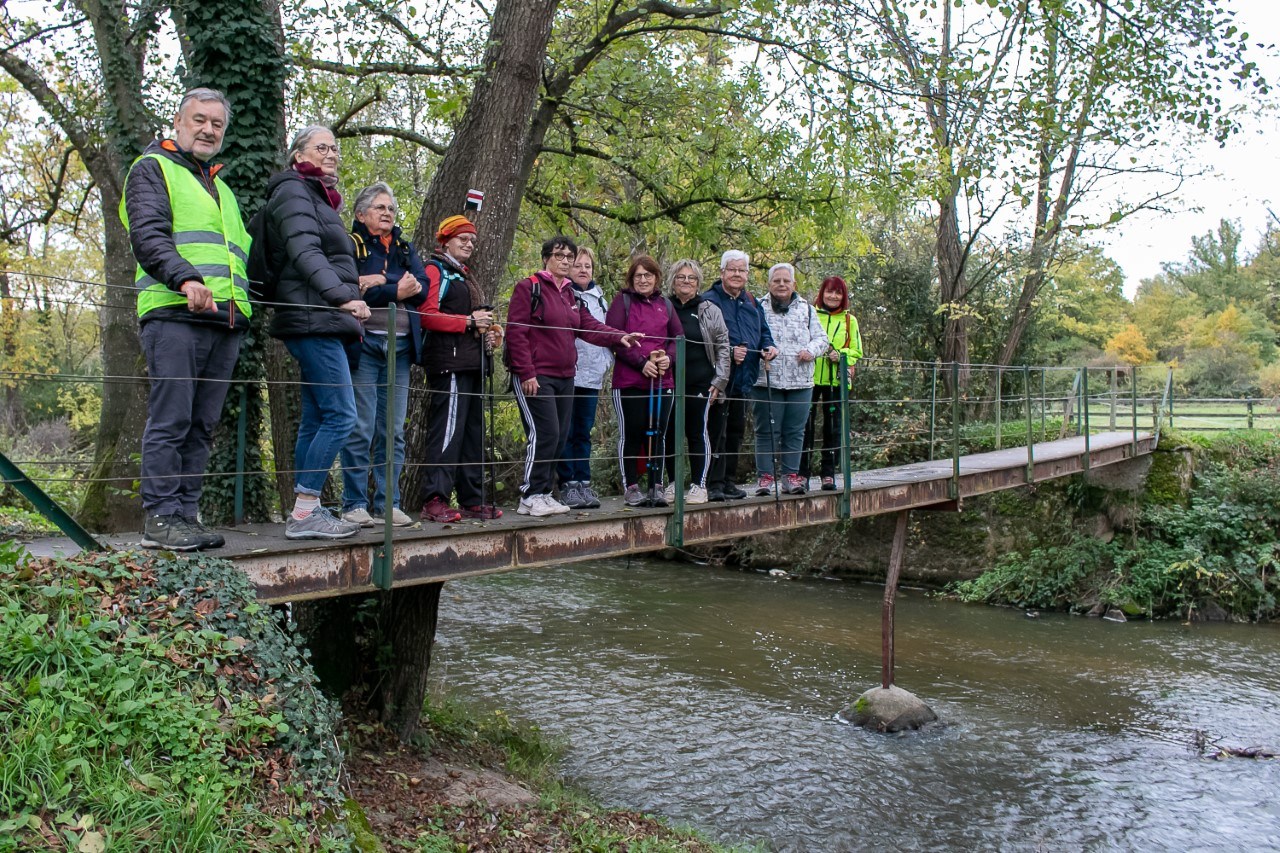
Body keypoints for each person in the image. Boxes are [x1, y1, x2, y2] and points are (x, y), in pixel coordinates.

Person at [121, 87, 250, 551]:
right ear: (178, 123)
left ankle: (185, 514)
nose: (208, 130)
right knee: (171, 418)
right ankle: (159, 518)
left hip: (225, 320)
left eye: (216, 124)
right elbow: (148, 233)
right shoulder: (152, 169)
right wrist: (184, 279)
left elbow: (239, 257)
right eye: (199, 120)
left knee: (202, 424)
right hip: (176, 312)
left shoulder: (222, 190)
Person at [263, 125, 370, 539]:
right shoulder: (294, 191)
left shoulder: (318, 198)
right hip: (314, 317)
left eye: (335, 149)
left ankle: (304, 509)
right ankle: (306, 513)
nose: (332, 155)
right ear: (297, 155)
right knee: (342, 416)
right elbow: (304, 251)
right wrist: (340, 297)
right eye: (321, 148)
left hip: (320, 316)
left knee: (316, 418)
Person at [505, 236, 641, 517]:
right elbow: (516, 333)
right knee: (545, 433)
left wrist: (620, 336)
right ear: (546, 258)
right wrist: (526, 372)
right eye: (559, 256)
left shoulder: (570, 294)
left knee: (560, 436)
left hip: (566, 375)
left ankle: (544, 492)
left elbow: (588, 325)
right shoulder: (528, 287)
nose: (565, 261)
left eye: (569, 256)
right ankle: (529, 495)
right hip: (536, 375)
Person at [338, 183, 427, 528]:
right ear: (361, 214)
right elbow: (349, 287)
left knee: (392, 430)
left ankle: (389, 504)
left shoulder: (405, 246)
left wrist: (379, 284)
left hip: (402, 348)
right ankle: (354, 504)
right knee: (360, 427)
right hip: (365, 345)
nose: (388, 213)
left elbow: (422, 287)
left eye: (391, 208)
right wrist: (395, 289)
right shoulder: (352, 244)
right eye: (380, 207)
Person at [417, 215, 503, 523]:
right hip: (448, 363)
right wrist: (468, 322)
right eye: (462, 239)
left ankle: (471, 498)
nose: (468, 244)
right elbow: (426, 315)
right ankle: (434, 498)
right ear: (446, 241)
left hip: (473, 362)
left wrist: (490, 331)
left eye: (471, 240)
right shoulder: (433, 269)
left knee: (472, 434)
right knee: (448, 430)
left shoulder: (465, 275)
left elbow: (474, 318)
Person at [607, 255, 683, 507]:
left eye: (648, 275)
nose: (643, 279)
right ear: (631, 278)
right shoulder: (622, 302)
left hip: (663, 381)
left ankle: (656, 485)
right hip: (630, 380)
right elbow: (614, 337)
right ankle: (631, 486)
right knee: (632, 433)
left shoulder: (666, 305)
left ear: (656, 278)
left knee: (658, 433)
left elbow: (677, 337)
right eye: (638, 275)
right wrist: (642, 362)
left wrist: (668, 360)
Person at [702, 250, 777, 502]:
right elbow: (702, 339)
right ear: (722, 272)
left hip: (745, 378)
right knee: (715, 432)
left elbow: (764, 332)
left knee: (735, 431)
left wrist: (768, 347)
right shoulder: (708, 301)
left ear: (747, 274)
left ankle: (729, 482)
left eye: (741, 270)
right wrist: (728, 352)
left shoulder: (752, 303)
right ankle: (712, 484)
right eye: (731, 269)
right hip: (717, 379)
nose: (736, 274)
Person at [754, 263, 828, 496]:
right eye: (777, 281)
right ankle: (765, 478)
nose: (782, 284)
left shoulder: (807, 309)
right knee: (766, 431)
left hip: (800, 381)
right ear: (769, 284)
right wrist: (762, 349)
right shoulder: (758, 306)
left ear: (794, 284)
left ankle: (790, 477)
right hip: (767, 379)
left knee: (795, 431)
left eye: (786, 281)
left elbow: (822, 339)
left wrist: (811, 350)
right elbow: (749, 335)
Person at [664, 260, 730, 505]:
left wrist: (720, 381)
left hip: (701, 382)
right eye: (681, 277)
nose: (686, 282)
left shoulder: (709, 309)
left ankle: (698, 485)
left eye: (691, 278)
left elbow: (723, 345)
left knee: (697, 433)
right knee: (669, 433)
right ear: (673, 280)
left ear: (698, 282)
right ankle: (672, 483)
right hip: (669, 381)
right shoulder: (664, 306)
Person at [557, 247, 612, 510]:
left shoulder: (600, 297)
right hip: (569, 373)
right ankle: (567, 484)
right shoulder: (564, 295)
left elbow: (605, 331)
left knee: (583, 432)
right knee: (565, 431)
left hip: (593, 376)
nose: (582, 270)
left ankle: (584, 482)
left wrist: (606, 362)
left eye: (587, 266)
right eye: (578, 265)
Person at [802, 275, 863, 490]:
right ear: (822, 292)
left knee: (832, 428)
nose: (833, 296)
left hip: (835, 381)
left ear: (843, 296)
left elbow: (857, 351)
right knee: (804, 427)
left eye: (838, 292)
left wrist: (841, 354)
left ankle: (828, 474)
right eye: (829, 291)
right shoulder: (809, 313)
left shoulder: (849, 320)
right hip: (808, 378)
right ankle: (802, 474)